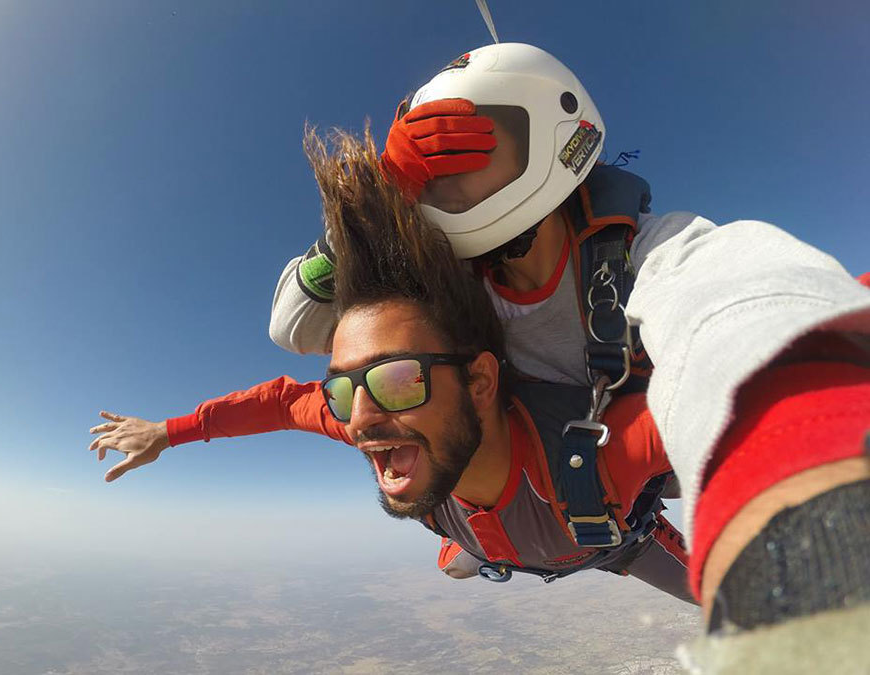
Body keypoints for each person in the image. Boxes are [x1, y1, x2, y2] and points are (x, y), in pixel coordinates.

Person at [265, 43, 870, 634]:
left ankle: (495, 538)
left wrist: (814, 409)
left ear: (555, 141)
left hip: (617, 485)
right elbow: (294, 331)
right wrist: (373, 205)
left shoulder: (645, 254)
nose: (447, 180)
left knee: (742, 595)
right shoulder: (446, 297)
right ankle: (480, 538)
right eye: (429, 166)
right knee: (462, 517)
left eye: (472, 148)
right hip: (527, 480)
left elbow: (739, 301)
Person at [90, 128, 693, 603]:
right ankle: (476, 544)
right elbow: (280, 402)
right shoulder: (373, 412)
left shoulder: (604, 452)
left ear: (481, 381)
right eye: (343, 389)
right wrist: (168, 433)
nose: (360, 419)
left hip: (609, 540)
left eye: (398, 377)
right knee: (461, 545)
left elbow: (734, 406)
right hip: (497, 534)